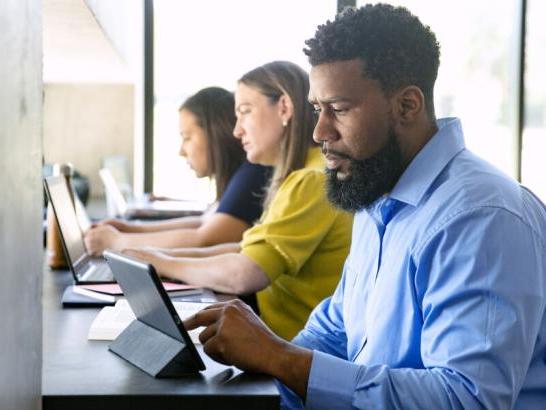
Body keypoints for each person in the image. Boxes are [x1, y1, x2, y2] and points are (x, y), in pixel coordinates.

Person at [182, 4, 546, 409]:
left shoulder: (481, 217)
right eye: (318, 109)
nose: (320, 131)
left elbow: (465, 400)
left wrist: (279, 358)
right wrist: (253, 362)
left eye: (338, 109)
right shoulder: (378, 196)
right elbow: (336, 331)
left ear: (408, 106)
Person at [125, 61, 353, 340]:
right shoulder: (306, 173)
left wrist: (161, 264)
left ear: (284, 107)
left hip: (295, 350)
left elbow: (245, 273)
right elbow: (244, 250)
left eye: (245, 112)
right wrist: (161, 258)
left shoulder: (310, 180)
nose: (237, 131)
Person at [84, 87, 270, 254]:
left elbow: (206, 239)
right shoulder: (242, 173)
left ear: (216, 134)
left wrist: (116, 241)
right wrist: (129, 228)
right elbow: (203, 222)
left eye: (187, 138)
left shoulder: (252, 173)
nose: (182, 151)